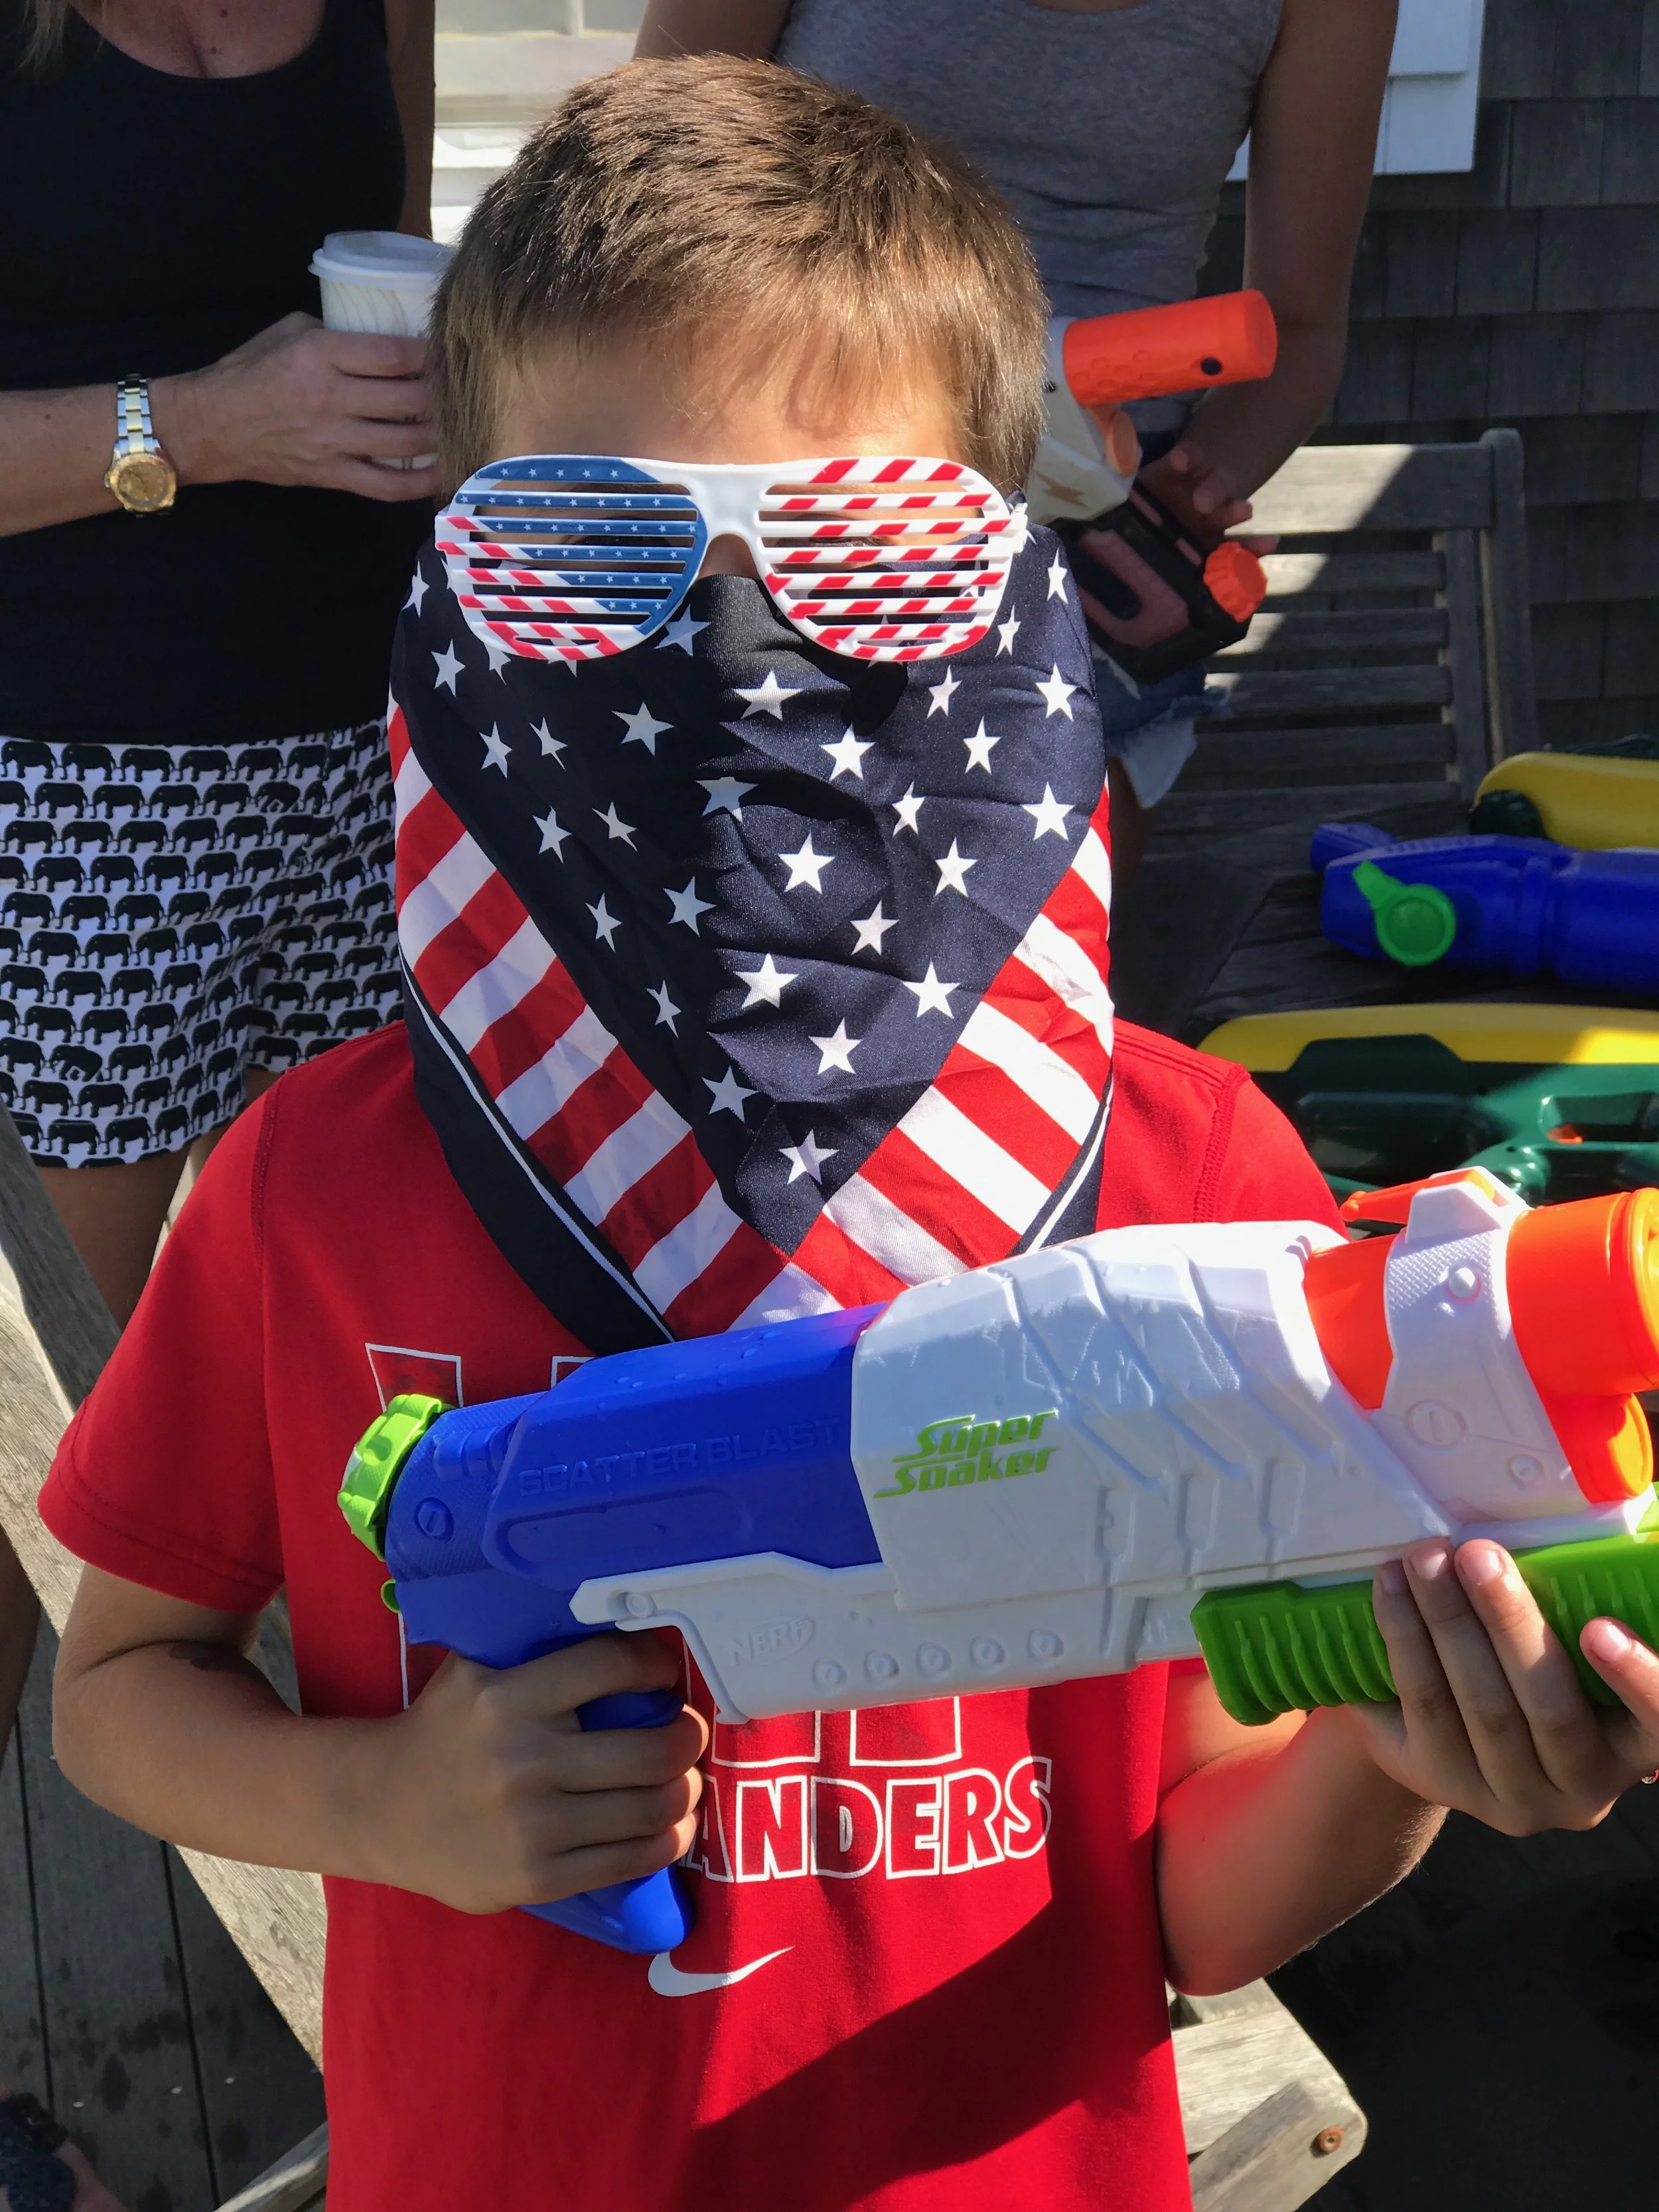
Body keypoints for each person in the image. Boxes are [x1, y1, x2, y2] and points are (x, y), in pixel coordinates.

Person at [39, 62, 1659, 2212]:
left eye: (872, 554)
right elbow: (117, 1685)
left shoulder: (1187, 1193)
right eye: (590, 544)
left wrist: (1403, 1754)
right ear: (458, 575)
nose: (736, 653)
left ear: (1008, 588)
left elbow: (1186, 1905)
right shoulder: (313, 1182)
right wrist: (389, 1808)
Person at [0, 0, 439, 1876]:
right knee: (44, 1453)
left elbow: (389, 279)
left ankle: (402, 1948)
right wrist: (198, 426)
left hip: (372, 769)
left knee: (369, 1411)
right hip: (68, 794)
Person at [635, 0, 1398, 881]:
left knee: (1044, 945)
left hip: (1098, 523)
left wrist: (1195, 486)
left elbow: (1299, 331)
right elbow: (630, 193)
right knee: (749, 911)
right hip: (801, 491)